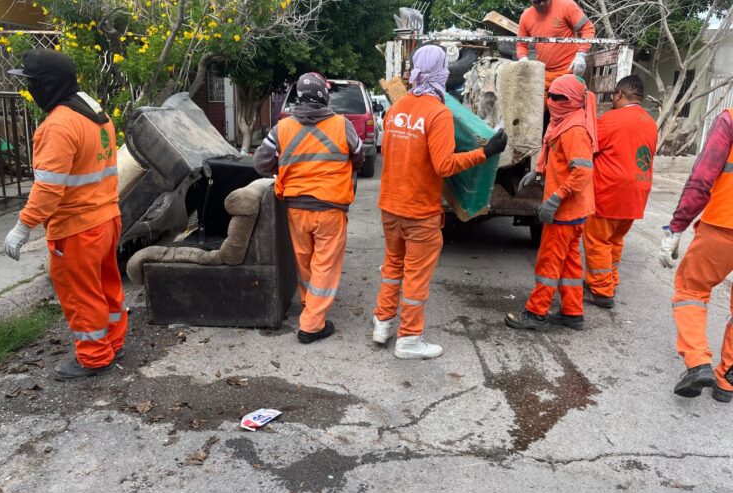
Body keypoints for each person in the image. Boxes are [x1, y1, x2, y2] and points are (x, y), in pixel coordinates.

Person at [372, 45, 507, 359]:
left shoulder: (397, 108)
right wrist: (486, 152)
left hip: (390, 206)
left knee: (393, 266)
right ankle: (408, 340)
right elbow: (444, 166)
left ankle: (382, 324)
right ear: (440, 74)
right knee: (416, 276)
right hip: (419, 211)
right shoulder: (438, 112)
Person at [3, 49, 126, 381]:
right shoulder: (97, 116)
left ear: (45, 86)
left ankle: (94, 355)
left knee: (81, 294)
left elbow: (48, 189)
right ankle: (113, 341)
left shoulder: (58, 125)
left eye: (31, 84)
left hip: (77, 229)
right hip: (107, 218)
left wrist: (22, 227)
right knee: (106, 285)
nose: (30, 90)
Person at [253, 72, 363, 344]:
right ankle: (312, 325)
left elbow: (260, 164)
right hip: (330, 207)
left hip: (296, 209)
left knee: (305, 262)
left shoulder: (282, 129)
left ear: (300, 97)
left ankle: (309, 305)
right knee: (325, 265)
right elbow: (359, 157)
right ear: (324, 96)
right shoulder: (342, 124)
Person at [506, 74, 596, 331]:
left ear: (574, 101)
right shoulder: (564, 122)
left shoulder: (574, 130)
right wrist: (538, 171)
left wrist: (556, 197)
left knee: (549, 262)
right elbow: (556, 155)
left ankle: (536, 312)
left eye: (559, 98)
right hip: (573, 210)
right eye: (551, 96)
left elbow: (581, 172)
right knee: (569, 262)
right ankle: (572, 311)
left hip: (566, 210)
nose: (552, 101)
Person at [658, 108, 733, 402]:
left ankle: (697, 362)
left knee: (691, 289)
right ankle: (727, 378)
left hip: (724, 225)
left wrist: (677, 226)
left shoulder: (729, 119)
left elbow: (702, 178)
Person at [583, 75, 658, 308]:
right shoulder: (650, 123)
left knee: (597, 239)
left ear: (619, 95)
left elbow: (589, 147)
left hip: (611, 190)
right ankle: (609, 279)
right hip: (638, 192)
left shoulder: (611, 120)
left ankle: (602, 291)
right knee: (615, 239)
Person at [517, 0, 596, 93]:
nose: (542, 3)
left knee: (565, 107)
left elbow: (587, 28)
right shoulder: (526, 17)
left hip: (567, 71)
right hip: (543, 74)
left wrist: (581, 54)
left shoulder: (566, 6)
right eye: (537, 1)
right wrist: (523, 58)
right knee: (539, 108)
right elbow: (521, 44)